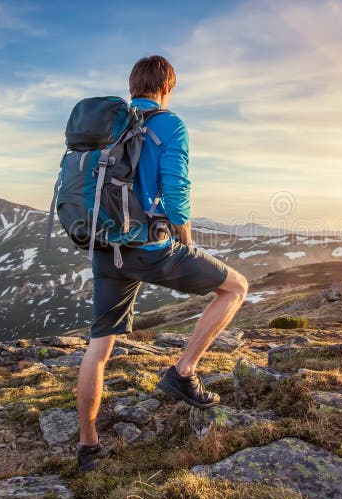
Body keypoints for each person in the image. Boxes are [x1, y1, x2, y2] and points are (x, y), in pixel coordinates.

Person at [75, 55, 249, 471]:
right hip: (150, 250)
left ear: (133, 86)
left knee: (98, 349)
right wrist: (184, 242)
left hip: (104, 249)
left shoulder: (108, 129)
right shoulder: (169, 125)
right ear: (167, 88)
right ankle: (183, 372)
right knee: (236, 287)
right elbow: (176, 193)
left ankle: (88, 447)